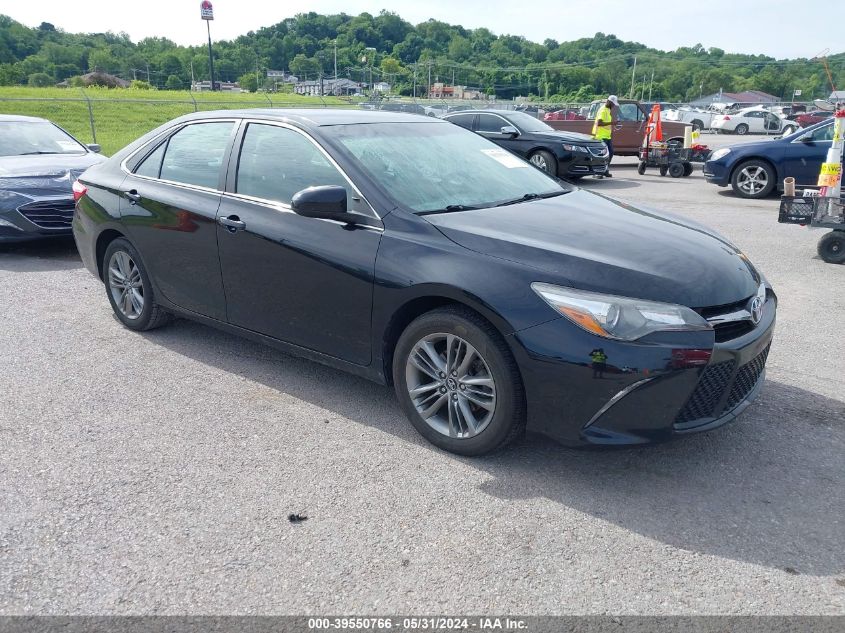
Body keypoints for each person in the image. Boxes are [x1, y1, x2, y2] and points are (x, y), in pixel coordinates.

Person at [592, 95, 619, 178]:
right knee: (601, 155)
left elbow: (606, 122)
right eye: (613, 104)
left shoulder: (608, 109)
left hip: (607, 136)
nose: (614, 105)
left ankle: (605, 170)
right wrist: (612, 123)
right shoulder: (603, 110)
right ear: (609, 102)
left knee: (610, 153)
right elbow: (599, 123)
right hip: (600, 136)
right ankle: (597, 173)